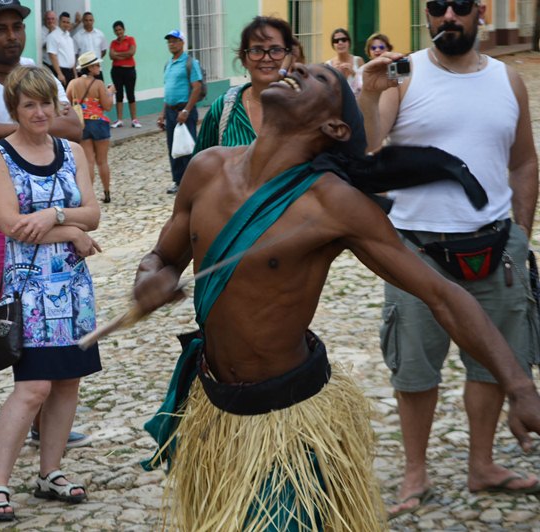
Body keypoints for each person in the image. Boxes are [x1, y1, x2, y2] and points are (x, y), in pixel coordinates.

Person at [131, 61, 540, 531]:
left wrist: (520, 387)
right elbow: (162, 256)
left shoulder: (333, 205)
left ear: (334, 125)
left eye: (321, 79)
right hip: (214, 410)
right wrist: (149, 279)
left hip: (287, 425)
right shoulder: (207, 169)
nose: (298, 66)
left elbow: (443, 295)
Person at [358, 0, 540, 519]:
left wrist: (521, 234)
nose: (449, 17)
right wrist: (370, 96)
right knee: (414, 366)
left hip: (495, 245)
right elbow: (369, 151)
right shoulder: (405, 74)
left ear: (480, 11)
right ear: (427, 15)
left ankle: (481, 465)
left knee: (492, 360)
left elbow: (524, 161)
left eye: (460, 6)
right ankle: (415, 472)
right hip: (418, 250)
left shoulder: (509, 80)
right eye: (438, 7)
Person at [0, 0, 86, 469]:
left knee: (48, 334)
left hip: (53, 234)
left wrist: (6, 124)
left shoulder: (37, 73)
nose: (12, 36)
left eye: (18, 27)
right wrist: (33, 126)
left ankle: (42, 426)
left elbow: (74, 128)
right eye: (1, 29)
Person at [0, 65, 102, 523]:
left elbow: (93, 214)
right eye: (29, 104)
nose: (39, 111)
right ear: (14, 109)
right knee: (32, 387)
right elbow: (11, 225)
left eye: (45, 102)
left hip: (72, 287)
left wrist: (55, 218)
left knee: (68, 381)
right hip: (29, 287)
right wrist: (72, 232)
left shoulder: (71, 151)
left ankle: (50, 472)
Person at [194, 17, 295, 153]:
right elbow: (201, 166)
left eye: (276, 50)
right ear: (244, 59)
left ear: (287, 57)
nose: (266, 58)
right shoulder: (224, 108)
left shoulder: (304, 108)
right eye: (256, 50)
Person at [156, 30, 202, 195]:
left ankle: (193, 181)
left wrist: (186, 110)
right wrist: (162, 113)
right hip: (170, 111)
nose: (172, 44)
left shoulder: (189, 62)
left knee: (189, 147)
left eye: (175, 41)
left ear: (182, 42)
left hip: (185, 110)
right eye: (169, 41)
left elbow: (197, 87)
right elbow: (168, 91)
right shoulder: (168, 64)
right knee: (173, 147)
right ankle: (178, 181)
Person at [66, 51, 115, 203]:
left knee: (88, 162)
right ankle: (107, 193)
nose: (99, 67)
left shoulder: (73, 84)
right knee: (102, 161)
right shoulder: (98, 84)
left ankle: (88, 195)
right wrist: (111, 93)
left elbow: (67, 102)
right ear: (89, 67)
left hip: (82, 124)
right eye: (96, 65)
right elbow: (107, 106)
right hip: (99, 122)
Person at [108, 20, 139, 128]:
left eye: (120, 29)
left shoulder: (130, 39)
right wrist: (124, 55)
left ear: (124, 29)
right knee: (119, 95)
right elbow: (111, 56)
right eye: (116, 30)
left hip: (129, 70)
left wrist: (118, 54)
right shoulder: (113, 43)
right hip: (116, 71)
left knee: (131, 94)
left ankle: (134, 119)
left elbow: (131, 52)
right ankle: (119, 120)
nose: (118, 32)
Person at [325, 28, 364, 95]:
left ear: (349, 42)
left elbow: (366, 85)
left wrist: (353, 73)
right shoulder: (328, 64)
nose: (340, 43)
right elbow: (326, 89)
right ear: (333, 45)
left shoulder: (358, 60)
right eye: (336, 41)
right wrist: (335, 75)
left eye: (344, 40)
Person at [73, 11, 107, 82]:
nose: (88, 22)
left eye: (90, 20)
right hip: (83, 70)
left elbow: (104, 51)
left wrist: (95, 61)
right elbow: (75, 55)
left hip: (97, 70)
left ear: (93, 21)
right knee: (84, 92)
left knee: (99, 91)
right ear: (82, 21)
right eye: (86, 20)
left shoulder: (100, 34)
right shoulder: (77, 36)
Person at [46, 11, 77, 87]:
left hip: (71, 73)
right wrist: (60, 74)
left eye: (68, 22)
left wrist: (75, 74)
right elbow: (52, 55)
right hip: (61, 72)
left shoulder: (69, 38)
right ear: (59, 22)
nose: (66, 24)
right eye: (64, 22)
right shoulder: (53, 36)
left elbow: (71, 56)